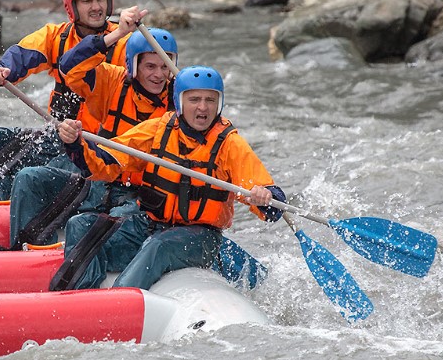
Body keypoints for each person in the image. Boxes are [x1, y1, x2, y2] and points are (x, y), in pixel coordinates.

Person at [53, 65, 286, 291]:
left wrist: (263, 196)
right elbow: (107, 160)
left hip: (200, 239)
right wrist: (75, 142)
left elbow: (268, 196)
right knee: (80, 225)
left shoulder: (229, 143)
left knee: (159, 245)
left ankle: (118, 306)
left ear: (219, 104)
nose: (203, 108)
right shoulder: (158, 129)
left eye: (210, 100)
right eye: (194, 99)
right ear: (180, 102)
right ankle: (82, 295)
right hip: (149, 224)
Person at [6, 6, 175, 249]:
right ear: (133, 65)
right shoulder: (112, 81)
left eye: (164, 66)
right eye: (150, 66)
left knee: (87, 225)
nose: (158, 75)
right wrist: (116, 35)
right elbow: (70, 66)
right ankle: (28, 257)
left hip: (138, 197)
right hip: (97, 180)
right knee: (29, 177)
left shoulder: (180, 102)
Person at [0, 0, 131, 202]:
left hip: (93, 148)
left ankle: (5, 208)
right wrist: (3, 69)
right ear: (71, 7)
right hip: (56, 135)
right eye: (87, 1)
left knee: (34, 174)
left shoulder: (124, 42)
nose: (96, 7)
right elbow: (22, 55)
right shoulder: (56, 36)